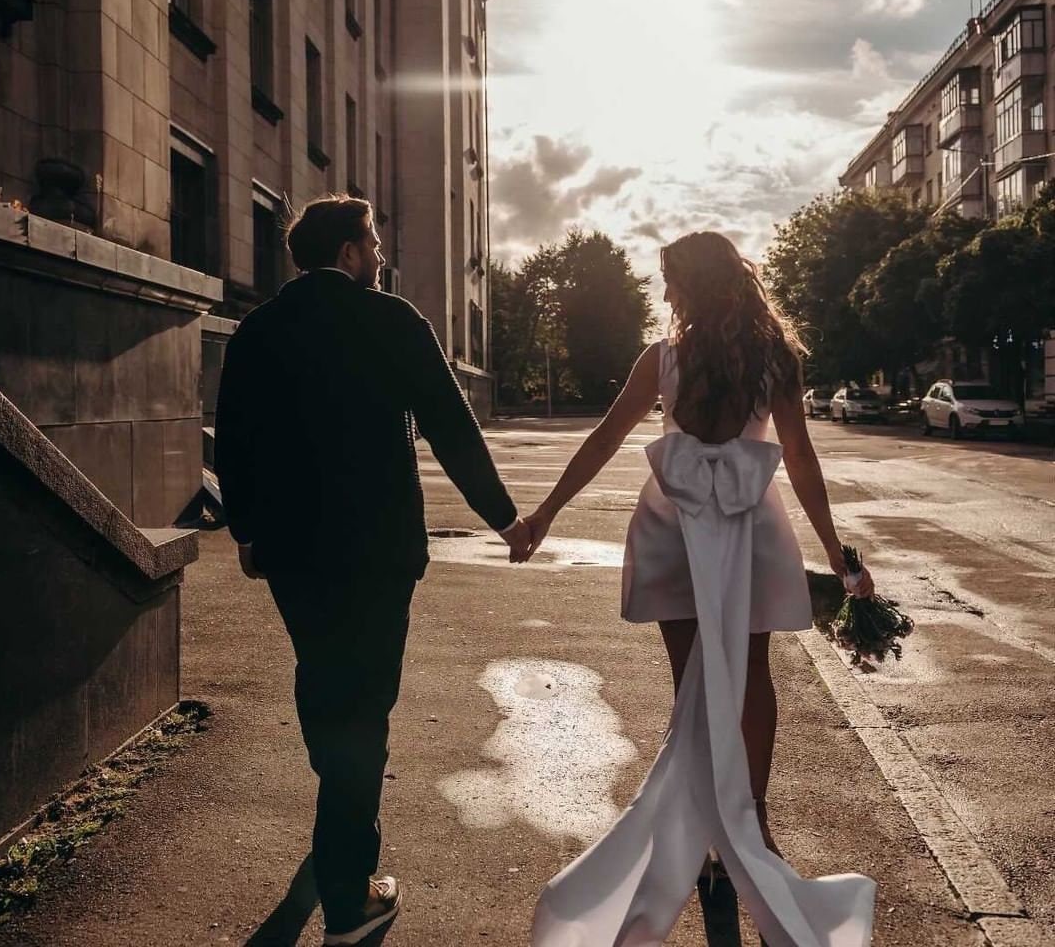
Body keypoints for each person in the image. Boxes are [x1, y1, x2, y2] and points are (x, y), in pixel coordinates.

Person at [521, 231, 877, 946]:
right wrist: (839, 554)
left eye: (670, 281)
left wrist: (544, 514)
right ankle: (749, 823)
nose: (665, 293)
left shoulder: (663, 361)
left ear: (692, 285)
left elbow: (603, 437)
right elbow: (801, 460)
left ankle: (716, 839)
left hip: (672, 532)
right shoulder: (775, 360)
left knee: (693, 687)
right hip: (751, 531)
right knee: (749, 680)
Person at [214, 194, 531, 946]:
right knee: (365, 707)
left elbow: (234, 441)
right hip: (379, 552)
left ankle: (340, 830)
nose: (381, 255)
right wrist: (505, 518)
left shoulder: (258, 329)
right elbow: (453, 428)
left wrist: (248, 533)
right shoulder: (392, 321)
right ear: (351, 253)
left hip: (293, 553)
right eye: (375, 244)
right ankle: (351, 901)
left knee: (326, 680)